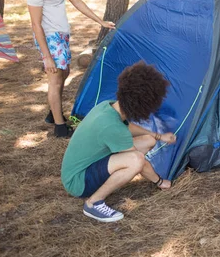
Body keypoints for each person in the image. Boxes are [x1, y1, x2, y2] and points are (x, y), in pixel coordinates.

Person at [61, 61, 177, 222]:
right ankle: (93, 203)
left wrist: (158, 136)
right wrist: (160, 181)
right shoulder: (111, 126)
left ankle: (113, 179)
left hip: (85, 166)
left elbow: (127, 127)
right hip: (78, 183)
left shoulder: (108, 107)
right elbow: (139, 161)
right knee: (136, 160)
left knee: (148, 140)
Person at [26, 0, 115, 138]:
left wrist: (99, 21)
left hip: (62, 34)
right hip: (49, 36)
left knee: (64, 73)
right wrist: (47, 56)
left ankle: (52, 111)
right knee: (56, 78)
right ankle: (59, 126)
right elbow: (35, 24)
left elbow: (75, 0)